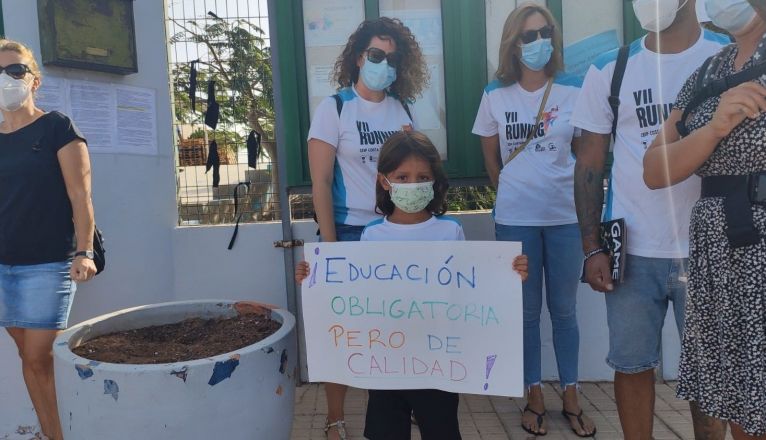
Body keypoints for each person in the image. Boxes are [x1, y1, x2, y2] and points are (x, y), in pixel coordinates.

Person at [298, 131, 528, 440]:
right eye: (402, 177)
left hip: (438, 365)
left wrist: (508, 274)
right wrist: (314, 277)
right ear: (384, 181)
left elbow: (471, 289)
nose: (412, 184)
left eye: (422, 177)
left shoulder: (450, 231)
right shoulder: (372, 235)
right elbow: (358, 294)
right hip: (386, 365)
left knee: (441, 430)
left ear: (434, 181)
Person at [570, 1, 730, 439]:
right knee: (632, 364)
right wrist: (592, 247)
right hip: (633, 253)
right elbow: (588, 165)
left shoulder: (730, 56)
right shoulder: (612, 69)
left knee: (710, 376)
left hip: (710, 248)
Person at [643, 1, 766, 438]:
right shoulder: (707, 73)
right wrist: (713, 128)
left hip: (760, 252)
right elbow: (654, 169)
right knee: (737, 403)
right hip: (717, 249)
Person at [471, 3, 594, 436]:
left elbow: (585, 159)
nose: (539, 42)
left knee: (564, 312)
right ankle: (534, 394)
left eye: (545, 33)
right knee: (525, 315)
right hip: (516, 220)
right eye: (528, 35)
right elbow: (492, 161)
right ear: (512, 43)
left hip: (564, 218)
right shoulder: (494, 95)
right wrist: (517, 190)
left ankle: (573, 395)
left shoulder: (574, 89)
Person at [305, 17, 428, 440]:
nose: (383, 64)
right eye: (375, 55)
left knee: (398, 327)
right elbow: (320, 183)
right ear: (359, 58)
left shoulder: (402, 110)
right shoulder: (335, 108)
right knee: (341, 332)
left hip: (395, 233)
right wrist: (331, 245)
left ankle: (402, 403)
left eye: (392, 58)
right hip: (348, 232)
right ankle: (335, 417)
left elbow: (414, 169)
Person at [0, 39, 97, 440]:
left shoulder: (57, 126)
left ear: (34, 80)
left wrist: (85, 250)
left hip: (47, 264)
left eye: (15, 71)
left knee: (39, 356)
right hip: (2, 266)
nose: (6, 79)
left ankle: (58, 434)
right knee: (26, 354)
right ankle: (50, 430)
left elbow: (81, 195)